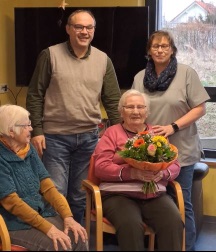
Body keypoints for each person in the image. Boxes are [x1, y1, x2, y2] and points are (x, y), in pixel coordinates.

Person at [26, 9, 121, 225]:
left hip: (89, 139)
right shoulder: (49, 55)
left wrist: (119, 136)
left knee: (79, 197)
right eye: (79, 27)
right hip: (54, 138)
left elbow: (113, 101)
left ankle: (76, 242)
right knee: (55, 195)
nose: (84, 32)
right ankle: (56, 243)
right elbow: (35, 95)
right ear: (69, 29)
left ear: (94, 31)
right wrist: (37, 131)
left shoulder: (103, 60)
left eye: (89, 27)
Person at [132, 30, 210, 251]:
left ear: (172, 50)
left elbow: (200, 108)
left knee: (180, 203)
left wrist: (172, 127)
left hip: (181, 152)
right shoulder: (140, 77)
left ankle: (187, 247)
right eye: (155, 46)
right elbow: (135, 108)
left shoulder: (186, 74)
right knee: (154, 203)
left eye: (165, 46)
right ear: (149, 51)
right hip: (149, 153)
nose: (160, 50)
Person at [93, 89, 184, 251]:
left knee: (173, 221)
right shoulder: (111, 133)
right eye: (130, 107)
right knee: (131, 225)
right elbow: (100, 167)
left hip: (153, 195)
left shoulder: (157, 135)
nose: (135, 111)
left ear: (147, 112)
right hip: (118, 195)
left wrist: (162, 173)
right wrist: (131, 173)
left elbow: (175, 165)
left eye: (140, 107)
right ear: (121, 111)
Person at [0, 104, 88, 251]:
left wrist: (68, 216)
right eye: (26, 125)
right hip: (13, 222)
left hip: (41, 212)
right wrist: (48, 228)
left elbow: (48, 187)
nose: (31, 129)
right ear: (11, 131)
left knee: (79, 237)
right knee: (59, 245)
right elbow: (12, 203)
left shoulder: (28, 149)